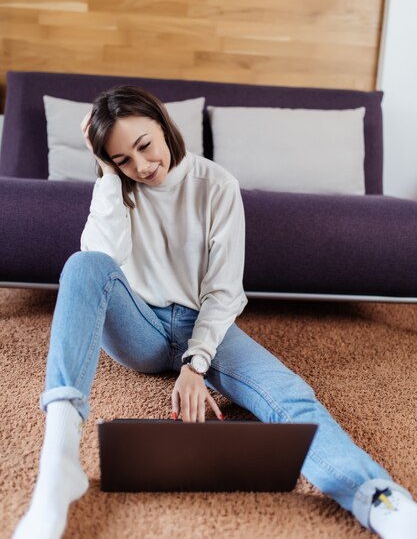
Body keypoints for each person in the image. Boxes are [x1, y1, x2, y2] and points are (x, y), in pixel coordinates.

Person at [12, 85, 417, 539]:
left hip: (202, 323)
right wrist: (108, 178)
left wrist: (195, 363)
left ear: (163, 125)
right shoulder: (117, 188)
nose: (142, 167)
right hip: (139, 325)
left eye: (144, 146)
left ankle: (379, 497)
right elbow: (100, 262)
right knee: (82, 264)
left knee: (290, 394)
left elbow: (224, 292)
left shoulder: (217, 185)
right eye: (122, 159)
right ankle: (57, 467)